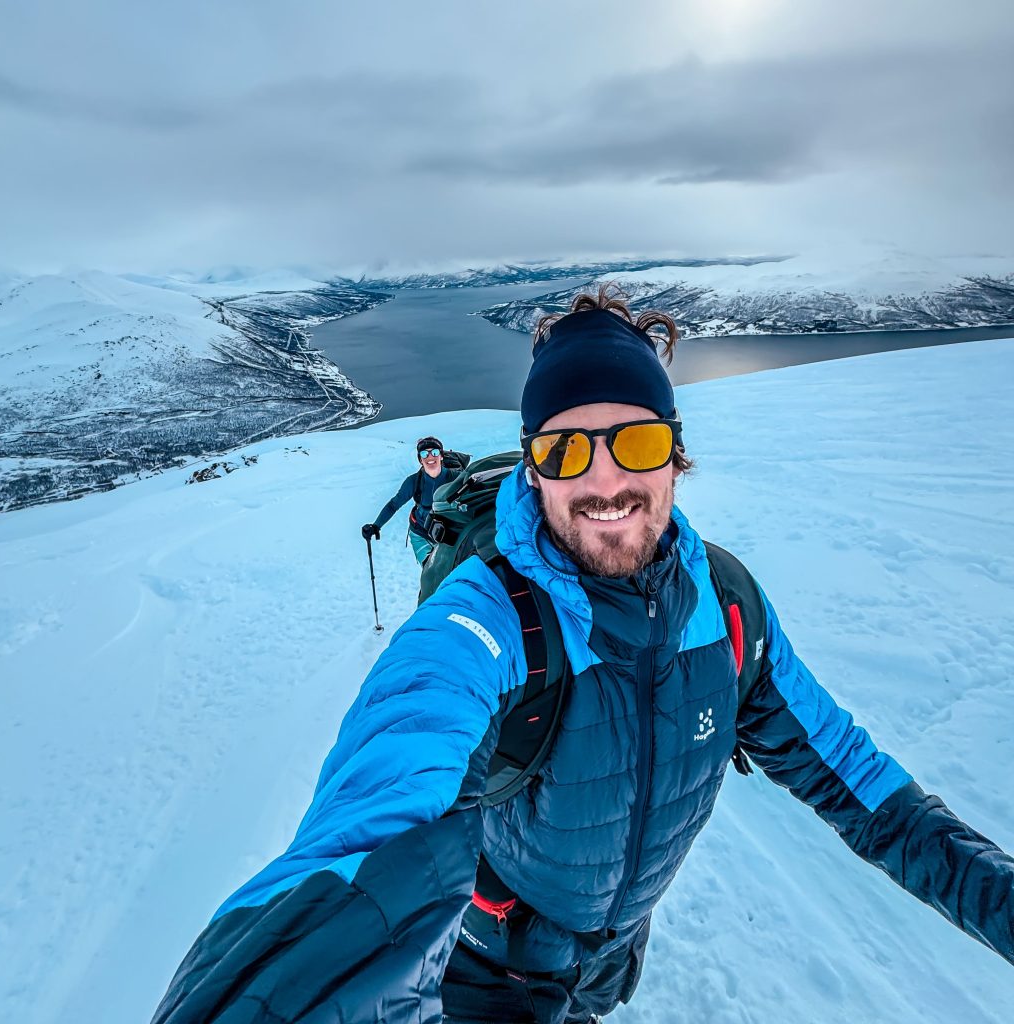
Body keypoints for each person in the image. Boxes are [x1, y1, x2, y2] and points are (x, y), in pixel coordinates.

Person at [152, 287, 1013, 1024]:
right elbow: (370, 832)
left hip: (603, 961)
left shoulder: (729, 609)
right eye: (566, 448)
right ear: (532, 470)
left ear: (676, 454)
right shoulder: (485, 625)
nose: (604, 482)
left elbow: (876, 801)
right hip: (485, 975)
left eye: (634, 441)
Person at [361, 435, 459, 564]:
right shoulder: (414, 482)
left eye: (434, 452)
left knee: (453, 569)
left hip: (449, 533)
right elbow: (393, 505)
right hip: (420, 534)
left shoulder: (457, 478)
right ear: (420, 460)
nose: (430, 457)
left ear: (441, 456)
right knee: (431, 574)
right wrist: (376, 526)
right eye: (424, 454)